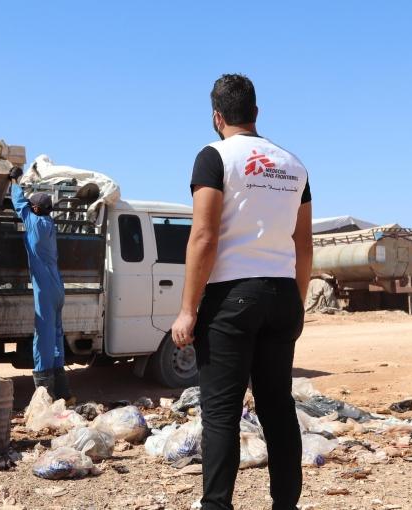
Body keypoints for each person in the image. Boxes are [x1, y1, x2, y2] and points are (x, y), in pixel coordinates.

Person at [170, 74, 313, 510]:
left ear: (217, 117)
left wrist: (187, 309)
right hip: (283, 294)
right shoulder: (293, 164)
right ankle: (285, 505)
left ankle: (217, 505)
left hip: (232, 297)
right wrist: (298, 304)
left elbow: (204, 237)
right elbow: (302, 245)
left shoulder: (213, 157)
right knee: (277, 407)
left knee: (220, 413)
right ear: (256, 113)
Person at [8, 166, 73, 402]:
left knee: (43, 339)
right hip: (57, 287)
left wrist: (14, 180)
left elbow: (18, 203)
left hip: (45, 290)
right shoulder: (49, 224)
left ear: (36, 209)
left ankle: (45, 393)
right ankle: (63, 391)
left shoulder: (33, 222)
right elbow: (27, 205)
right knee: (56, 338)